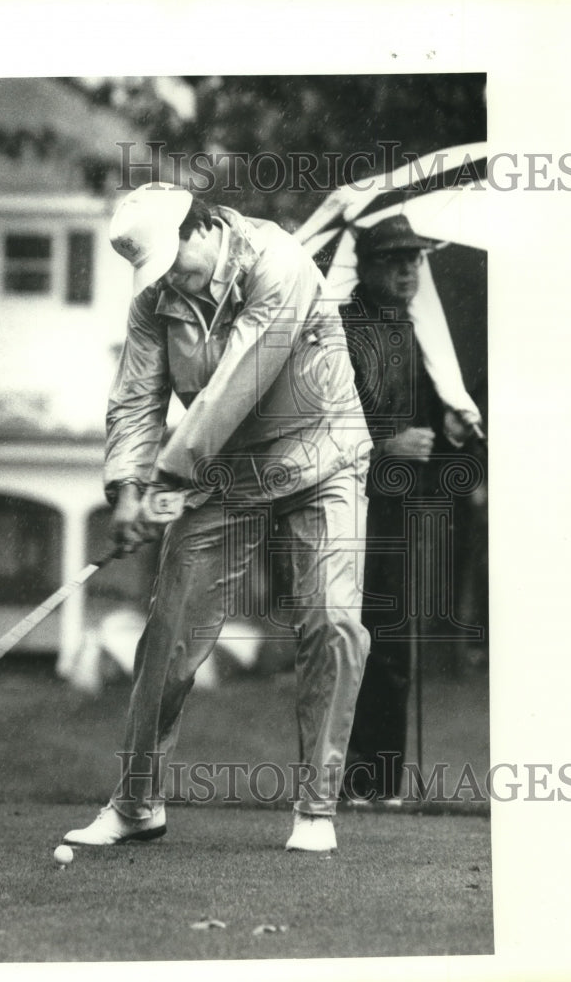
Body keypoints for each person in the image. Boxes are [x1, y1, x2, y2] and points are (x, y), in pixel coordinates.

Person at [63, 182, 373, 852]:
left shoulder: (279, 262)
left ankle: (316, 811)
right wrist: (124, 490)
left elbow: (238, 380)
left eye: (174, 261)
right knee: (170, 630)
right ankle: (136, 803)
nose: (168, 279)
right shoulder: (155, 299)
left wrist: (166, 478)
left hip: (322, 455)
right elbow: (137, 397)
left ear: (200, 229)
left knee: (331, 617)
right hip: (223, 471)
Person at [338, 214, 483, 802]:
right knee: (345, 639)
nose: (407, 270)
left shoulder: (418, 336)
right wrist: (384, 444)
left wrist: (450, 428)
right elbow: (316, 420)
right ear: (367, 265)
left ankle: (381, 784)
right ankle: (342, 780)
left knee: (393, 639)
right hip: (343, 504)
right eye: (395, 260)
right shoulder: (340, 327)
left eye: (415, 260)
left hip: (399, 509)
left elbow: (432, 423)